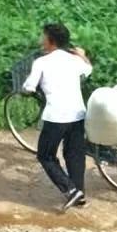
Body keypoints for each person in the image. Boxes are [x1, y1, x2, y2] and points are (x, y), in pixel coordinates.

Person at [22, 23, 92, 211]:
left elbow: (28, 87)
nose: (40, 40)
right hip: (78, 114)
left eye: (42, 37)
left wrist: (28, 90)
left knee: (45, 155)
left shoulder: (41, 63)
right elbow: (88, 69)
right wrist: (81, 54)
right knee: (75, 154)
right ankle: (80, 194)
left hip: (56, 116)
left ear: (50, 41)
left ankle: (70, 190)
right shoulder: (74, 60)